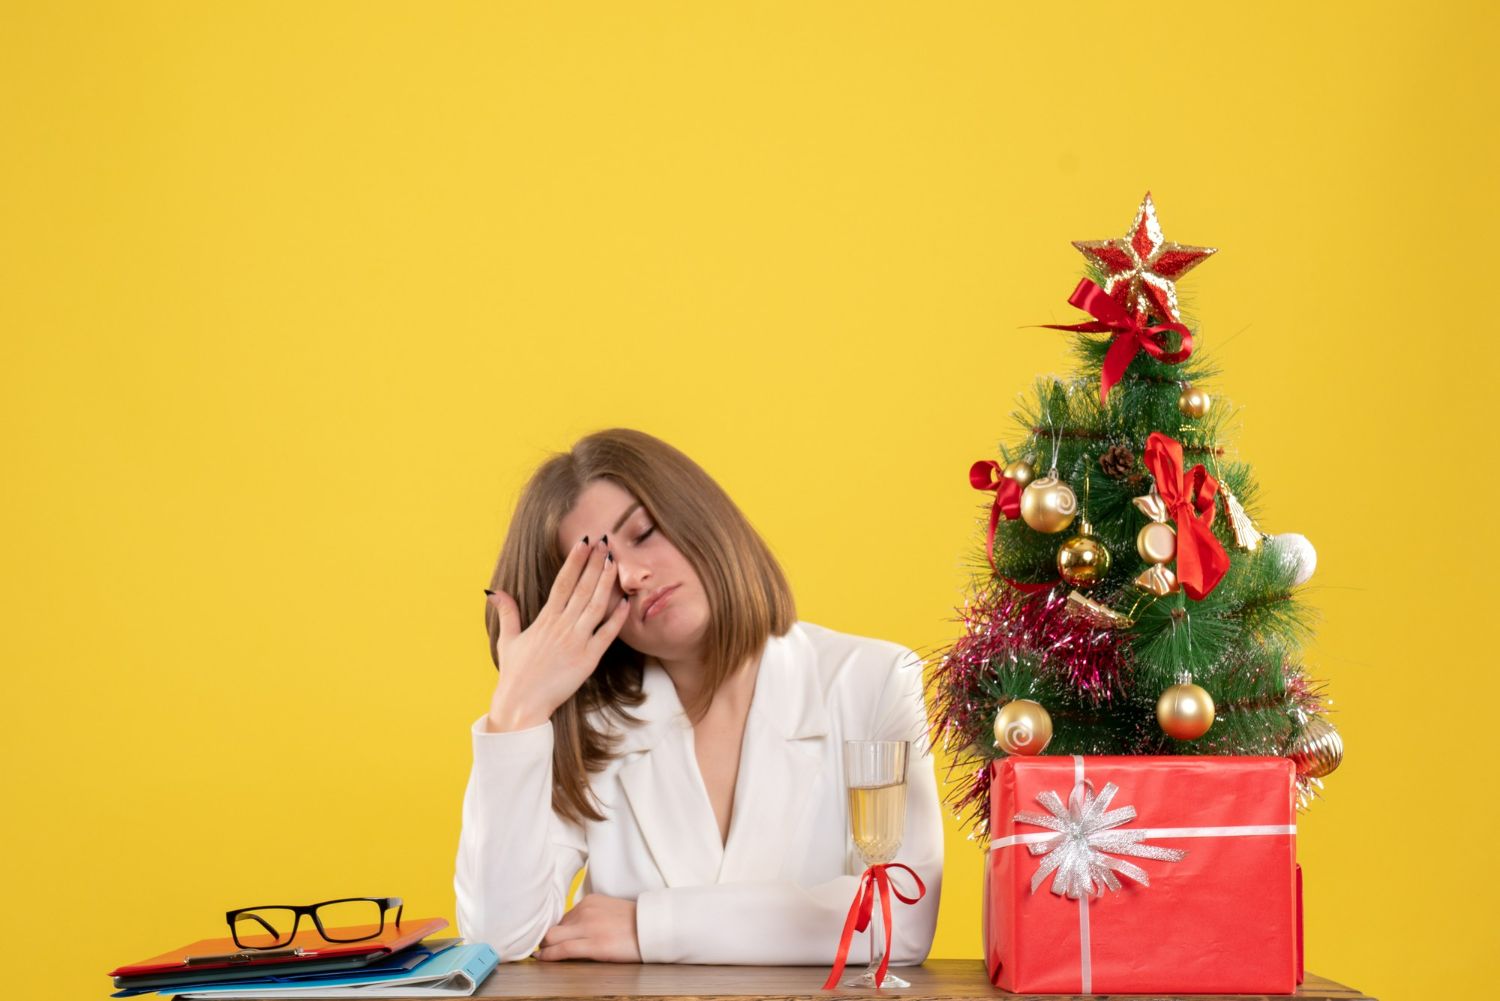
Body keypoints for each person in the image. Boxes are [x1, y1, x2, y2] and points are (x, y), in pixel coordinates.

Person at [454, 428, 943, 966]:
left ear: (699, 515)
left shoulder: (872, 678)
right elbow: (499, 937)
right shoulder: (591, 724)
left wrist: (651, 927)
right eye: (600, 574)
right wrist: (515, 712)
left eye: (643, 533)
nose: (635, 576)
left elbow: (898, 917)